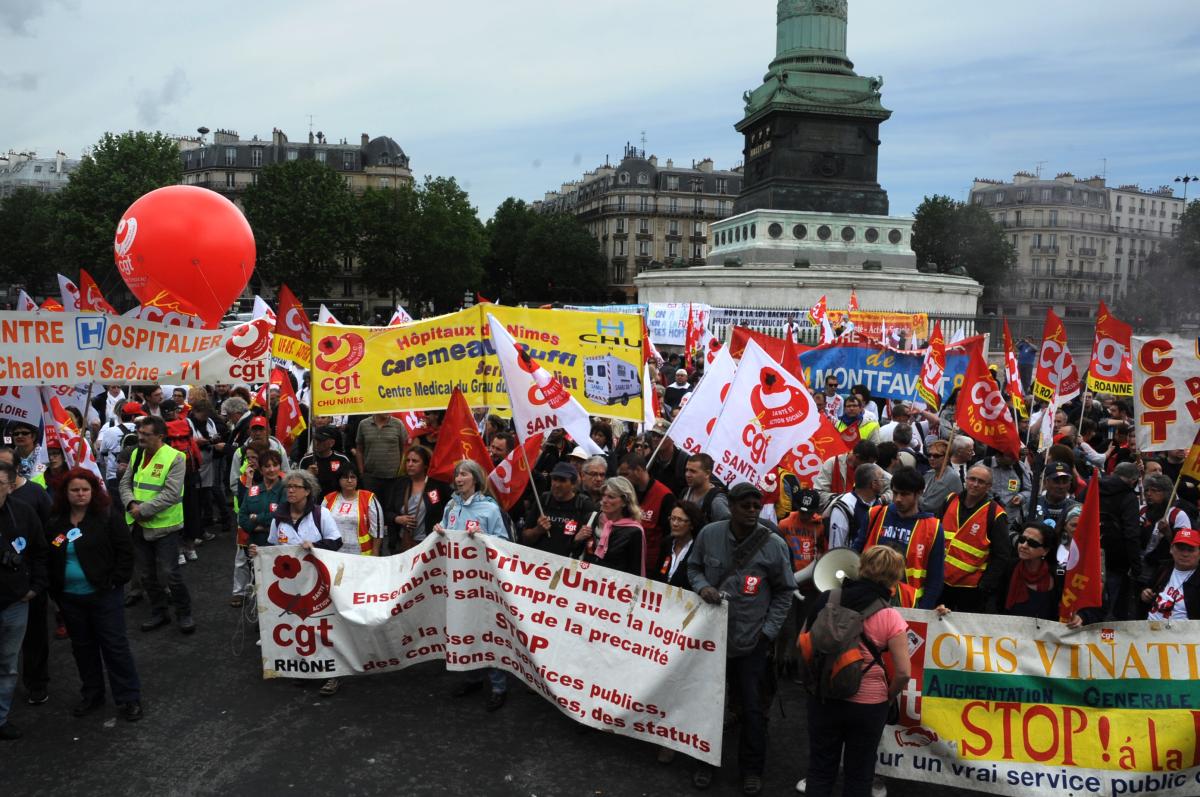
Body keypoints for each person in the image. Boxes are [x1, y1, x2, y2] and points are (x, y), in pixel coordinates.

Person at [688, 482, 796, 795]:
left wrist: (769, 632)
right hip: (711, 639)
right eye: (745, 506)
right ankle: (705, 762)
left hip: (752, 641)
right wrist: (701, 586)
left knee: (752, 709)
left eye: (755, 506)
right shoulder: (709, 534)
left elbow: (785, 591)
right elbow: (694, 568)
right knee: (708, 704)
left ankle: (751, 769)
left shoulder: (773, 544)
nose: (751, 511)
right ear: (731, 506)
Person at [801, 546, 911, 797]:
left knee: (820, 769)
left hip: (824, 697)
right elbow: (904, 672)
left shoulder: (827, 598)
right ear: (894, 578)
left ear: (861, 568)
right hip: (869, 705)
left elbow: (803, 642)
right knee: (859, 775)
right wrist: (888, 697)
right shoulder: (890, 615)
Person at [45, 468, 143, 721]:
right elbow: (48, 554)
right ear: (65, 493)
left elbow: (125, 552)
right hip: (70, 598)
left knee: (114, 647)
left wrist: (114, 582)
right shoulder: (56, 521)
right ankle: (92, 694)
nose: (80, 494)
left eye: (85, 490)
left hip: (104, 596)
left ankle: (128, 698)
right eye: (74, 490)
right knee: (83, 648)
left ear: (93, 491)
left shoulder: (107, 517)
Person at [248, 470, 343, 695]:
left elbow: (337, 542)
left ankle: (331, 675)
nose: (290, 490)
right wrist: (257, 552)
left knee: (321, 628)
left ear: (307, 491)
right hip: (291, 586)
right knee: (297, 627)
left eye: (295, 486)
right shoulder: (279, 518)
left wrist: (316, 546)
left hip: (317, 584)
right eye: (288, 487)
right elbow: (272, 547)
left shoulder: (321, 514)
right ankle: (304, 668)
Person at [434, 460, 510, 711]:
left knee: (487, 629)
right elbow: (447, 533)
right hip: (458, 582)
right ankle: (473, 677)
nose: (458, 478)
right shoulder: (451, 505)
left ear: (475, 479)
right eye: (456, 474)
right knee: (464, 625)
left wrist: (484, 536)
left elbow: (503, 542)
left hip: (482, 582)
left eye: (464, 474)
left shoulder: (489, 510)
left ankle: (498, 685)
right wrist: (440, 530)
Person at [119, 416, 194, 635]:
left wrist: (142, 510)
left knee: (171, 573)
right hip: (138, 525)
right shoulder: (136, 453)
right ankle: (159, 612)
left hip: (164, 526)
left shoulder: (176, 458)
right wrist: (131, 503)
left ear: (160, 436)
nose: (140, 437)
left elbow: (171, 494)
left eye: (146, 434)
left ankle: (184, 613)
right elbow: (125, 483)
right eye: (139, 433)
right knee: (146, 575)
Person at [0, 460, 47, 740]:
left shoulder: (23, 512)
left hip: (16, 603)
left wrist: (35, 586)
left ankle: (1, 717)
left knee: (7, 664)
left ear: (9, 485)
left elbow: (41, 551)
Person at [862, 466, 946, 609]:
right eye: (895, 493)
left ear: (919, 493)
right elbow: (856, 552)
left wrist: (923, 612)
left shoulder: (933, 527)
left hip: (909, 606)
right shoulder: (875, 514)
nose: (898, 499)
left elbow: (935, 577)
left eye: (905, 494)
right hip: (868, 599)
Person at [939, 465, 1013, 613]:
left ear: (989, 486)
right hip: (941, 583)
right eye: (972, 479)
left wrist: (984, 586)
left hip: (970, 590)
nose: (975, 484)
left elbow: (1002, 556)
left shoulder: (996, 514)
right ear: (966, 479)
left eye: (981, 481)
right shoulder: (950, 500)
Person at [1002, 521, 1083, 626]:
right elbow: (994, 603)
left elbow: (1081, 604)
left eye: (1032, 543)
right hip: (1009, 634)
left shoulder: (1059, 576)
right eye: (1021, 540)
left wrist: (1079, 617)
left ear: (1045, 551)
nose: (1024, 545)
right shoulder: (1008, 568)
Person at [232, 449, 284, 607]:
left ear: (280, 467)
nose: (271, 469)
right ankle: (262, 620)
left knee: (279, 585)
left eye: (275, 465)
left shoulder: (286, 489)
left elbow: (281, 516)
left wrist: (257, 518)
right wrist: (261, 525)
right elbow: (242, 517)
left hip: (278, 547)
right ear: (261, 470)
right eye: (267, 466)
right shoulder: (253, 490)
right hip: (256, 546)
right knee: (258, 583)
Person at [574, 476, 646, 577]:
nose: (604, 500)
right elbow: (572, 553)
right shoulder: (591, 518)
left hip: (612, 588)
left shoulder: (634, 531)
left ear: (624, 502)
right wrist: (576, 540)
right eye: (603, 495)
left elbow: (634, 571)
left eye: (611, 497)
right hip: (584, 581)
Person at [522, 462, 594, 558]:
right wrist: (537, 530)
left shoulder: (584, 505)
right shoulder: (544, 500)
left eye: (562, 480)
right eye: (554, 479)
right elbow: (524, 538)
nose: (557, 485)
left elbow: (590, 547)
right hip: (538, 565)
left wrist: (577, 540)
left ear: (573, 484)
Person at [1099, 461, 1142, 620]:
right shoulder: (1129, 497)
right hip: (1116, 561)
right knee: (1112, 609)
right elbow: (1131, 534)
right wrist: (1136, 566)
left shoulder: (1093, 488)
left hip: (1089, 555)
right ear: (1132, 480)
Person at [617, 454, 675, 572]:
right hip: (625, 559)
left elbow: (668, 535)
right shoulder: (626, 493)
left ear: (638, 470)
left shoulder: (664, 496)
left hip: (650, 564)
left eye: (625, 474)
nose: (622, 479)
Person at [389, 445, 451, 552]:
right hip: (403, 545)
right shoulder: (400, 484)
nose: (410, 464)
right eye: (408, 461)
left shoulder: (436, 485)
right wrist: (397, 519)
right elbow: (387, 511)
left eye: (415, 461)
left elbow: (450, 508)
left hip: (430, 545)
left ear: (425, 465)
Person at [1139, 473, 1193, 579]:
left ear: (1167, 493)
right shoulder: (1142, 511)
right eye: (1147, 490)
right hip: (1139, 566)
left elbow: (1185, 549)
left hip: (1163, 571)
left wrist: (1168, 533)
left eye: (1154, 490)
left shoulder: (1177, 515)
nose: (1149, 494)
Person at [1140, 528, 1199, 621]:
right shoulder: (1164, 568)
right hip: (1150, 628)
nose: (1185, 554)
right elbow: (1148, 589)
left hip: (1183, 633)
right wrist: (1145, 594)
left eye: (1190, 550)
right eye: (1180, 548)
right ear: (1171, 549)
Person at [355, 412, 408, 509]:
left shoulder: (398, 424)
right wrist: (362, 473)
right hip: (370, 478)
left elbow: (404, 449)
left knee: (391, 509)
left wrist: (401, 471)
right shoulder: (363, 424)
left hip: (393, 478)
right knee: (372, 509)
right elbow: (359, 450)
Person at [830, 464, 885, 552]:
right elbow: (835, 547)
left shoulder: (879, 503)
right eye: (882, 479)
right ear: (873, 484)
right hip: (849, 562)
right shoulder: (844, 507)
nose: (884, 483)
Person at [300, 426, 353, 498]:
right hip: (313, 500)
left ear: (332, 443)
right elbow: (298, 485)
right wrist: (307, 474)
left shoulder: (342, 459)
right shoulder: (306, 460)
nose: (317, 443)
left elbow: (350, 481)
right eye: (316, 439)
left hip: (335, 499)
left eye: (321, 440)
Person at [658, 501, 701, 589]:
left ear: (692, 524)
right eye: (672, 518)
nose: (674, 524)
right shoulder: (666, 544)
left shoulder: (698, 549)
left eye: (680, 520)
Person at [986, 449, 1031, 531]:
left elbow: (1029, 491)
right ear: (998, 455)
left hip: (1010, 522)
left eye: (1016, 455)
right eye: (1011, 456)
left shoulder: (1019, 467)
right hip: (986, 519)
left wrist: (1021, 497)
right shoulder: (984, 465)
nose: (1015, 458)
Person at [1028, 461, 1080, 531]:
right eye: (1056, 481)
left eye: (1065, 481)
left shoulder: (1077, 509)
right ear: (1046, 482)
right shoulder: (1032, 505)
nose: (1061, 486)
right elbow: (1013, 531)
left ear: (1070, 484)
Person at [680, 453, 729, 525]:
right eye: (686, 470)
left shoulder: (716, 501)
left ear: (707, 474)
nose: (687, 474)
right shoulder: (685, 493)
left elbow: (725, 528)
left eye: (693, 471)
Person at [645, 419, 688, 495]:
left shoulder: (684, 461)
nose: (655, 439)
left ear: (672, 438)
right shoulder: (648, 460)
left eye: (660, 436)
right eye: (653, 435)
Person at [919, 441, 961, 517]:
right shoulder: (930, 473)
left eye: (936, 456)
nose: (931, 458)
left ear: (947, 458)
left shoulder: (950, 477)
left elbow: (929, 506)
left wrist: (912, 496)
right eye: (929, 455)